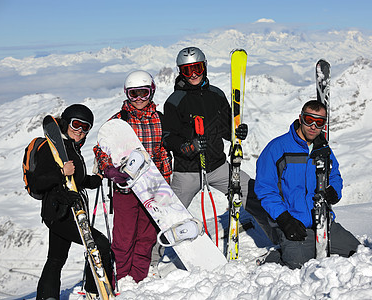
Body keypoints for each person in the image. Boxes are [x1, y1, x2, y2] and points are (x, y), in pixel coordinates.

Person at [254, 100, 360, 269]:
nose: (313, 126)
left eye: (319, 122)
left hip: (323, 222)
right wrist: (284, 218)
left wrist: (334, 191)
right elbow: (265, 190)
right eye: (308, 119)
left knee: (359, 254)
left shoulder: (323, 150)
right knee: (298, 267)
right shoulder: (277, 148)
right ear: (300, 118)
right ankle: (275, 257)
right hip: (292, 224)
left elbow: (335, 176)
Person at [93, 70, 172, 284]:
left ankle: (138, 278)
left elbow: (163, 151)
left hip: (152, 185)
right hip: (125, 188)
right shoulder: (119, 121)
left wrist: (165, 180)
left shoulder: (160, 120)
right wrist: (109, 169)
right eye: (133, 94)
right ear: (126, 94)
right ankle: (121, 277)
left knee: (146, 236)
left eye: (143, 93)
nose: (138, 99)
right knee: (124, 236)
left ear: (152, 92)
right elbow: (101, 149)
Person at [34, 104, 112, 299]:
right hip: (60, 213)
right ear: (65, 123)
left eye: (85, 127)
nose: (79, 130)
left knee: (56, 259)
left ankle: (47, 296)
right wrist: (61, 172)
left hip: (66, 211)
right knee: (100, 244)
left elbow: (74, 180)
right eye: (76, 124)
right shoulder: (50, 148)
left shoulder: (72, 148)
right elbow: (38, 181)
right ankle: (96, 291)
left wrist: (94, 180)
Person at [163, 46, 252, 211]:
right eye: (187, 70)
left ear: (204, 66)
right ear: (181, 72)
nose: (194, 74)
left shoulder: (216, 95)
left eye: (197, 68)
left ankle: (276, 235)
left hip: (219, 167)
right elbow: (168, 137)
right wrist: (187, 146)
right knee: (171, 215)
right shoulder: (174, 101)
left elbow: (226, 130)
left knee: (253, 194)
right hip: (187, 173)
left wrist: (237, 132)